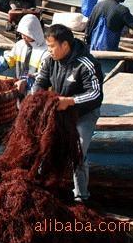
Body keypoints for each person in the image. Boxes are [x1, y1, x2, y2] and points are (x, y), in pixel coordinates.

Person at [33, 24, 103, 202]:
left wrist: (70, 101)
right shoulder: (49, 60)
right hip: (59, 108)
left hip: (84, 113)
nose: (49, 50)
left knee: (77, 152)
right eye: (47, 47)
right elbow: (40, 82)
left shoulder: (87, 64)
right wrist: (36, 97)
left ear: (65, 45)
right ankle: (43, 186)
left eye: (52, 46)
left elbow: (95, 94)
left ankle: (82, 196)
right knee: (45, 145)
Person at [0, 14, 49, 94]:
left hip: (37, 95)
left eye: (26, 34)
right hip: (19, 91)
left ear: (34, 32)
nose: (23, 36)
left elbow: (43, 75)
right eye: (22, 33)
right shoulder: (20, 45)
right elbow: (5, 60)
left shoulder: (45, 52)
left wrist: (26, 82)